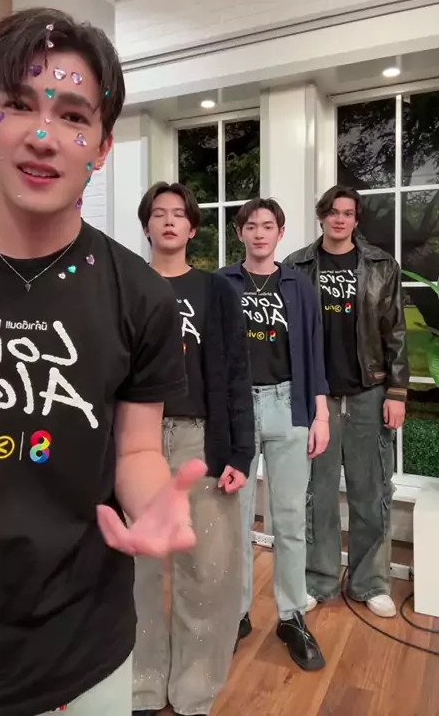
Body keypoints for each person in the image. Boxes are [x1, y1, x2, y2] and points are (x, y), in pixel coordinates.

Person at [0, 8, 207, 716]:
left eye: (72, 116)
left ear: (101, 145)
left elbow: (136, 449)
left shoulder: (141, 295)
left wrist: (154, 501)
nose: (43, 136)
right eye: (19, 105)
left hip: (81, 647)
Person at [133, 181, 255, 716]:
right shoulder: (127, 284)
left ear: (192, 227)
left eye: (178, 214)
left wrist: (240, 453)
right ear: (146, 225)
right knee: (136, 571)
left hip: (200, 438)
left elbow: (236, 373)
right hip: (136, 439)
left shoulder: (216, 290)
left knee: (206, 571)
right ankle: (140, 683)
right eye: (158, 213)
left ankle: (193, 690)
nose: (168, 221)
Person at [284, 185, 409, 619]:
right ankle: (318, 580)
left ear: (356, 219)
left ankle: (370, 582)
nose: (340, 219)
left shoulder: (381, 265)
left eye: (348, 213)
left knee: (370, 491)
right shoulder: (296, 265)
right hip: (317, 397)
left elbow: (395, 331)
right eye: (333, 212)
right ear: (322, 216)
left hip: (368, 392)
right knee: (316, 493)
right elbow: (288, 335)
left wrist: (397, 391)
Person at [220, 197, 329, 672]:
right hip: (237, 411)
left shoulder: (299, 285)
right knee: (235, 521)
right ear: (240, 233)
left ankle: (291, 616)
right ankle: (236, 613)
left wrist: (320, 415)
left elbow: (315, 351)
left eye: (268, 226)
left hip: (289, 406)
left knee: (289, 520)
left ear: (280, 233)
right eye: (252, 226)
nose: (260, 233)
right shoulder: (222, 284)